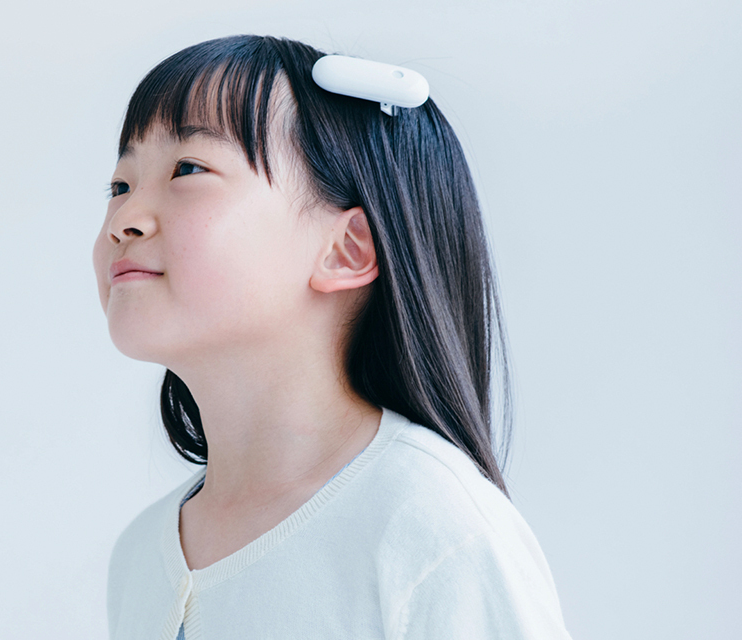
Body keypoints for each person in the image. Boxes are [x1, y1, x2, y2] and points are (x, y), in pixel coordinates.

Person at [96, 34, 573, 640]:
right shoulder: (140, 556)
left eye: (188, 169)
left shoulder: (435, 529)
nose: (124, 220)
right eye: (119, 186)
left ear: (346, 250)